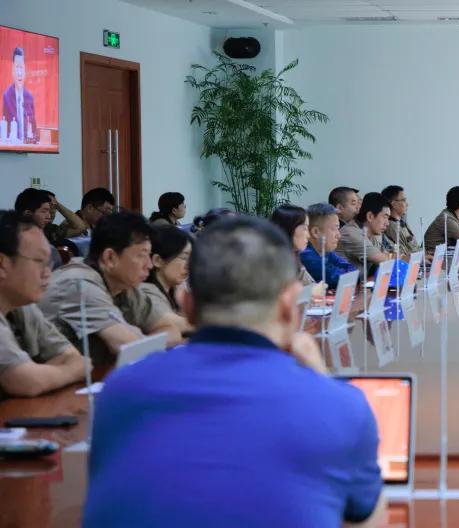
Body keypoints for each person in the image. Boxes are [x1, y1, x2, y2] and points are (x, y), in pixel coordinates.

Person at [83, 216, 384, 526]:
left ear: (187, 305)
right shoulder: (342, 406)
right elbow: (362, 514)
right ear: (289, 306)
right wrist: (323, 383)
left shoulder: (119, 391)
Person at [39, 211, 182, 366]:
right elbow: (127, 346)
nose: (149, 265)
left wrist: (145, 342)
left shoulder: (123, 284)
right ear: (110, 258)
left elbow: (171, 330)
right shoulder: (79, 284)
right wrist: (148, 341)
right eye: (142, 255)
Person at [0, 211, 85, 398]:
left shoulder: (23, 305)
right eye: (39, 261)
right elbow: (26, 382)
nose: (48, 273)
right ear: (2, 264)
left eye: (49, 263)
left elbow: (76, 359)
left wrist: (38, 374)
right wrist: (34, 375)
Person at [138, 225, 193, 334]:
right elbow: (172, 324)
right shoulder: (146, 291)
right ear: (158, 260)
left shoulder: (173, 289)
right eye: (184, 257)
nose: (189, 265)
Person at [270, 204, 325, 296]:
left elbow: (310, 284)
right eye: (304, 229)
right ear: (289, 228)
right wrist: (310, 293)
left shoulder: (294, 256)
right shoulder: (271, 260)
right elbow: (276, 298)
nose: (308, 235)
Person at [300, 203, 357, 289]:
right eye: (334, 229)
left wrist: (347, 274)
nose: (339, 235)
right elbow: (336, 279)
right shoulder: (306, 254)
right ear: (316, 232)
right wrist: (347, 274)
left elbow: (353, 270)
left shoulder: (326, 250)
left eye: (338, 228)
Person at [14, 188, 62, 269]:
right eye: (44, 211)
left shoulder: (47, 243)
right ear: (28, 214)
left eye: (49, 211)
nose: (49, 216)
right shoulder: (10, 242)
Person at [356, 193, 396, 276]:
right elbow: (385, 260)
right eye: (385, 217)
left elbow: (390, 254)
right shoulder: (354, 234)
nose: (387, 223)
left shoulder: (374, 235)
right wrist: (398, 257)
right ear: (370, 216)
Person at [2, 47, 36, 144]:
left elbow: (34, 131)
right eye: (17, 67)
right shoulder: (7, 96)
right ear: (12, 69)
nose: (19, 73)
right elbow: (4, 130)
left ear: (25, 70)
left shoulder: (29, 97)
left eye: (22, 68)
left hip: (28, 147)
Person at [381, 185, 421, 255]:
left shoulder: (402, 222)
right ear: (393, 204)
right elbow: (405, 254)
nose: (407, 204)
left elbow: (414, 247)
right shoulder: (392, 226)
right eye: (404, 200)